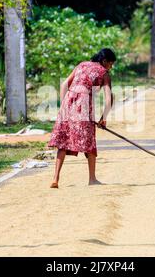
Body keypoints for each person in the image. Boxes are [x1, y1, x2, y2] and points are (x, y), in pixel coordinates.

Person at [48, 48, 115, 189]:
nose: (111, 67)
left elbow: (64, 85)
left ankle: (55, 179)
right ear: (104, 61)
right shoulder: (104, 73)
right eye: (111, 63)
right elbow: (109, 99)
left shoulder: (82, 65)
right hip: (84, 105)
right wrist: (104, 118)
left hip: (68, 101)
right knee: (89, 141)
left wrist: (63, 107)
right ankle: (92, 179)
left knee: (63, 141)